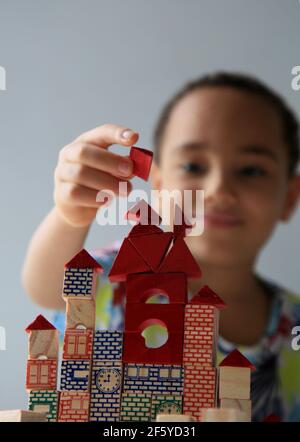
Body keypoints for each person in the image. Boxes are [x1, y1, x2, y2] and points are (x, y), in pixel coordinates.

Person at [21, 72, 300, 421]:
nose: (218, 189)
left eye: (251, 170)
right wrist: (70, 217)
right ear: (158, 183)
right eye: (193, 165)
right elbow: (45, 287)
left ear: (289, 197)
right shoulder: (113, 277)